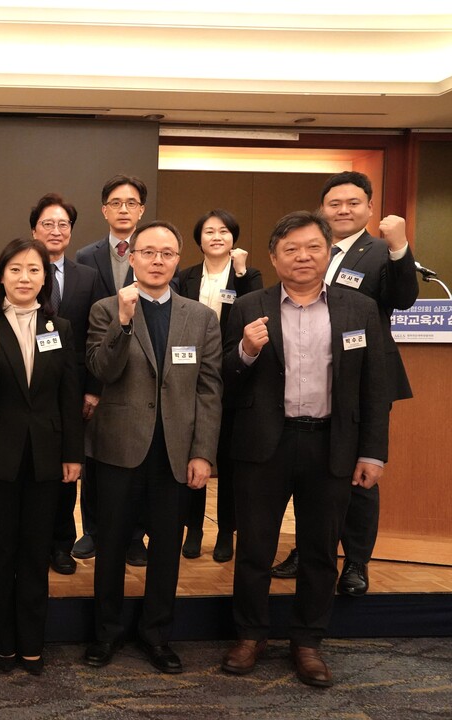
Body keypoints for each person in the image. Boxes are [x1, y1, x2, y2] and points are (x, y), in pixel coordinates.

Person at [220, 211, 390, 687]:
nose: (302, 256)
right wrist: (246, 351)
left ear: (328, 253)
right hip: (263, 446)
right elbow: (224, 379)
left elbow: (374, 386)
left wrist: (373, 452)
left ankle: (308, 641)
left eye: (313, 247)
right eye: (290, 249)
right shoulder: (248, 305)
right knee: (254, 548)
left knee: (319, 549)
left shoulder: (359, 308)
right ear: (273, 258)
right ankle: (250, 635)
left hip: (331, 444)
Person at [270, 172, 417, 595]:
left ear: (370, 207)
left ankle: (355, 561)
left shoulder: (380, 251)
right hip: (313, 377)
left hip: (362, 379)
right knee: (313, 474)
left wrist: (400, 247)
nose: (343, 210)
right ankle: (308, 549)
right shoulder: (312, 249)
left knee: (359, 473)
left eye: (353, 203)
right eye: (334, 203)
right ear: (322, 209)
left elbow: (403, 298)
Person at [84, 221, 222, 674]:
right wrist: (123, 322)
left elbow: (209, 390)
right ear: (132, 257)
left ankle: (156, 634)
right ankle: (105, 632)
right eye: (148, 252)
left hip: (175, 452)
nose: (157, 261)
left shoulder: (200, 317)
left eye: (166, 253)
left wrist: (202, 452)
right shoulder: (107, 309)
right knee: (110, 546)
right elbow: (102, 370)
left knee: (166, 551)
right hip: (120, 448)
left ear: (178, 260)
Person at [0, 238, 83, 674]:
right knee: (0, 552)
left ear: (45, 277)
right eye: (15, 269)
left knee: (36, 552)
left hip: (46, 457)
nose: (24, 277)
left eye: (34, 269)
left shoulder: (60, 327)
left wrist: (73, 453)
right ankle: (1, 642)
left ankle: (32, 641)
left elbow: (69, 395)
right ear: (1, 276)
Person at [175, 209, 263, 562]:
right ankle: (193, 529)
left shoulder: (248, 275)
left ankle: (226, 531)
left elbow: (254, 312)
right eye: (209, 231)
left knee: (227, 459)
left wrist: (240, 273)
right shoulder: (185, 276)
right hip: (191, 371)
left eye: (224, 231)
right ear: (199, 239)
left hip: (233, 371)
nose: (216, 236)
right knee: (193, 454)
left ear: (233, 238)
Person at [74, 175, 148, 565]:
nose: (123, 209)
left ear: (141, 210)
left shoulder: (153, 252)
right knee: (95, 456)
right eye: (116, 203)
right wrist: (92, 385)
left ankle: (134, 536)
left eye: (131, 203)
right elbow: (84, 325)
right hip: (100, 367)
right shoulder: (85, 257)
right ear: (104, 210)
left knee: (137, 458)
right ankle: (92, 531)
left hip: (141, 371)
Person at [26, 194, 99, 575]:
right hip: (29, 387)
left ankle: (60, 544)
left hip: (71, 389)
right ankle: (33, 543)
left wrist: (93, 388)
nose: (55, 231)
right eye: (47, 224)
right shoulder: (21, 271)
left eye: (63, 225)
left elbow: (97, 335)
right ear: (34, 230)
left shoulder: (87, 276)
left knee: (67, 469)